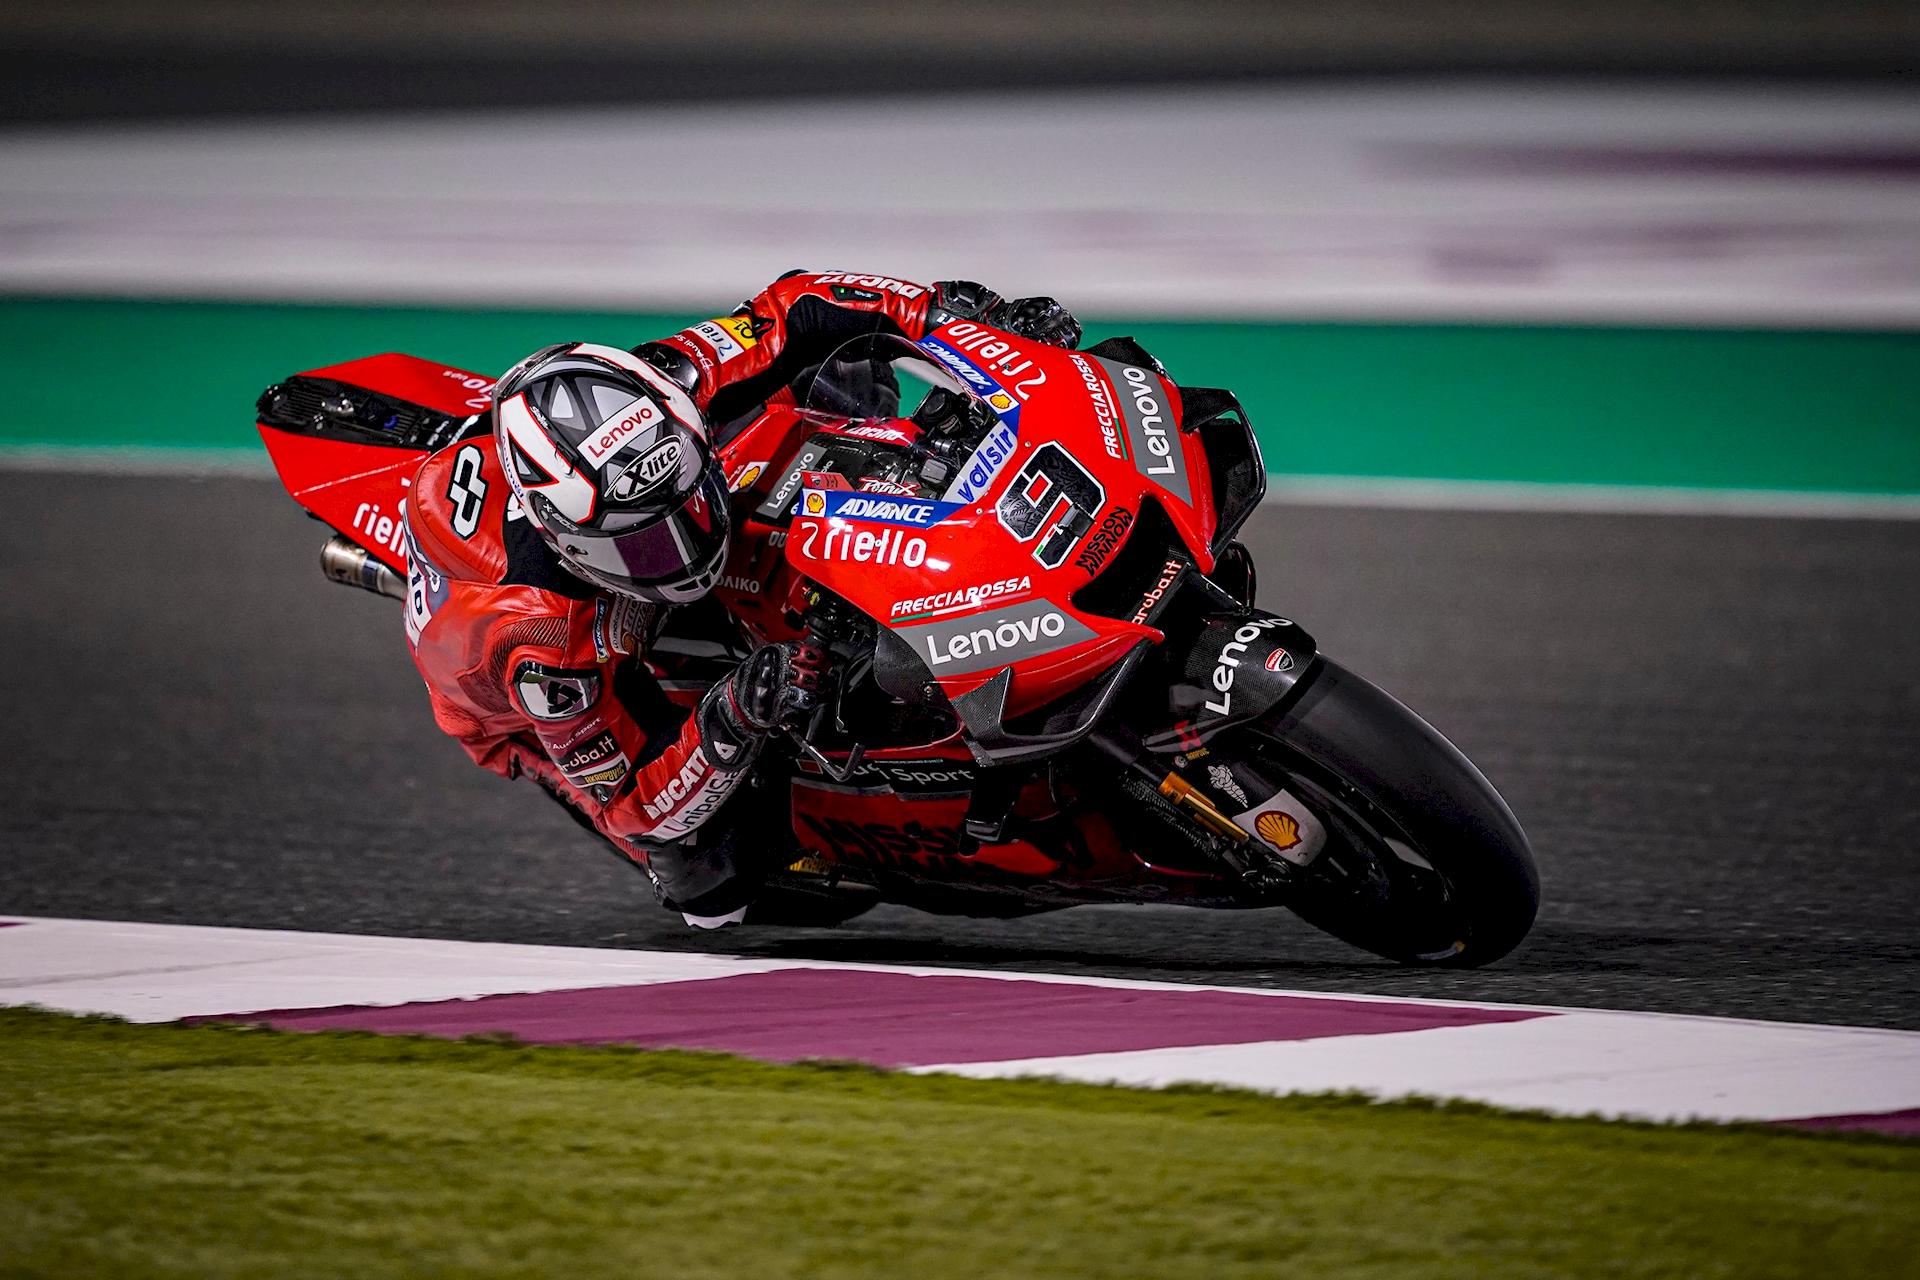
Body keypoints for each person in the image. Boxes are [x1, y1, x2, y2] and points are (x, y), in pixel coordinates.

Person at [400, 271, 1081, 926]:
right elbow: (633, 801)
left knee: (840, 374)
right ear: (567, 539)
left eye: (688, 502)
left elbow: (802, 301)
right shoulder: (538, 643)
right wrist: (732, 714)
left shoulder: (669, 383)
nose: (685, 547)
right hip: (516, 684)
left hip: (631, 514)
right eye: (646, 542)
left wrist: (958, 320)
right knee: (707, 874)